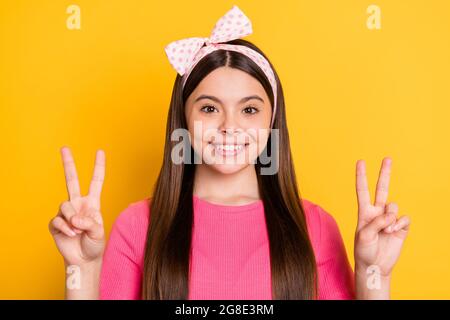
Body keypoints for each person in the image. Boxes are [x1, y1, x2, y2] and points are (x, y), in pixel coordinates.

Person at [49, 5, 410, 300]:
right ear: (183, 120)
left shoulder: (315, 227)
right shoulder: (138, 225)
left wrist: (372, 274)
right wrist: (81, 270)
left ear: (272, 122)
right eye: (209, 108)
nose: (229, 126)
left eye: (249, 110)